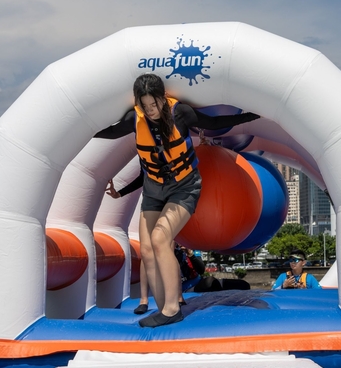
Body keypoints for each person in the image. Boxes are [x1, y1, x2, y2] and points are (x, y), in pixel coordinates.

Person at [97, 73, 259, 327]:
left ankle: (173, 309)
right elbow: (112, 132)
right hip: (153, 189)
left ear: (162, 99)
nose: (150, 110)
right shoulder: (135, 119)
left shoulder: (180, 113)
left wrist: (250, 116)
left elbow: (213, 123)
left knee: (160, 238)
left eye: (154, 104)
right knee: (147, 250)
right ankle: (163, 309)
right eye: (144, 106)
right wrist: (76, 127)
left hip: (184, 186)